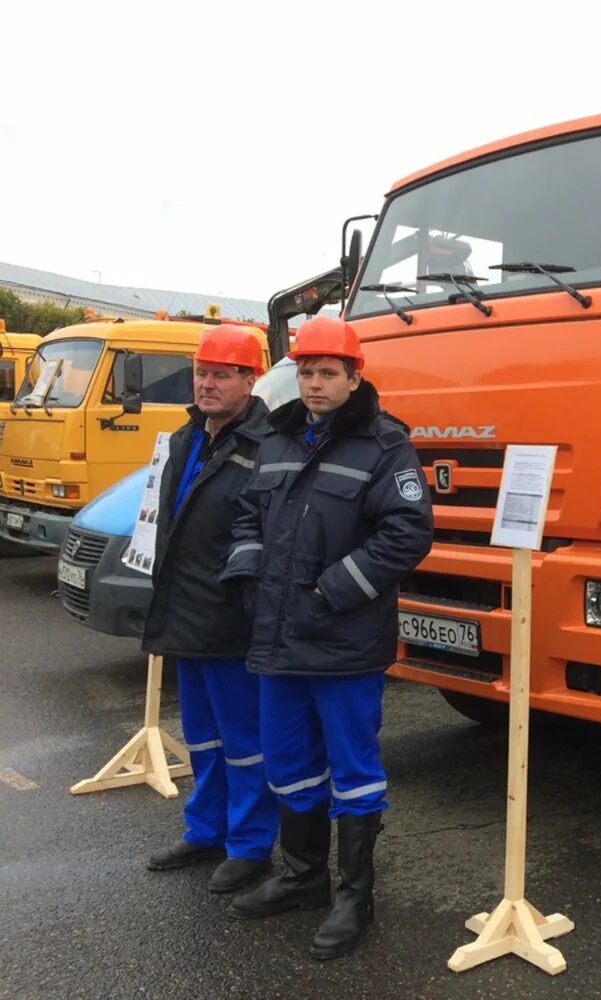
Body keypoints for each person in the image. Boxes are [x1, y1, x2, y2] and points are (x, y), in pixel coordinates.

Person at [221, 315, 432, 960]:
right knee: (288, 767)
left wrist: (330, 592)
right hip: (279, 639)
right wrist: (250, 577)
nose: (314, 384)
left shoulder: (385, 445)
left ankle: (354, 896)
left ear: (353, 376)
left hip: (343, 644)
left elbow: (408, 532)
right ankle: (304, 876)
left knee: (354, 772)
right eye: (306, 372)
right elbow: (248, 515)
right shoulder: (276, 439)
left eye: (327, 373)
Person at [144, 325, 278, 892]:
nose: (208, 384)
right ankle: (207, 830)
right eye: (202, 372)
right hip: (185, 613)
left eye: (222, 374)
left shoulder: (268, 445)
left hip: (232, 616)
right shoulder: (186, 438)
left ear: (250, 379)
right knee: (201, 735)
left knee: (245, 741)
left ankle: (250, 846)